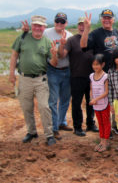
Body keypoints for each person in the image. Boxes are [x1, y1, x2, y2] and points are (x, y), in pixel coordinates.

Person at [9, 15, 58, 146]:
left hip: (40, 79)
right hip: (24, 78)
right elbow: (14, 56)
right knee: (26, 107)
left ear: (44, 27)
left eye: (40, 26)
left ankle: (49, 134)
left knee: (44, 106)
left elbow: (53, 63)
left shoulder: (47, 42)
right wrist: (11, 74)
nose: (37, 28)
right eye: (35, 25)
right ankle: (31, 132)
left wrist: (54, 55)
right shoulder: (23, 38)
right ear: (32, 26)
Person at [80, 10, 118, 135]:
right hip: (101, 74)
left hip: (115, 72)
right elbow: (83, 46)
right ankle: (106, 127)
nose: (107, 20)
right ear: (101, 19)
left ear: (113, 19)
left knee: (115, 100)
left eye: (109, 18)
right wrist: (86, 29)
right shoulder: (95, 33)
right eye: (104, 18)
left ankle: (115, 126)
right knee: (103, 100)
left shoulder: (116, 32)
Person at [58, 17, 98, 136]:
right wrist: (61, 45)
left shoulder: (92, 39)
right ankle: (78, 127)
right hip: (76, 76)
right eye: (80, 24)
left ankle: (90, 124)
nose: (82, 27)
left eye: (84, 25)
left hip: (92, 77)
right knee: (76, 103)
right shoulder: (71, 40)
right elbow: (62, 55)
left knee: (91, 102)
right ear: (77, 26)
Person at [44, 12, 73, 140]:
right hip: (52, 70)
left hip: (67, 70)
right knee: (53, 100)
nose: (59, 24)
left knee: (65, 99)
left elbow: (67, 55)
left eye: (62, 22)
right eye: (57, 21)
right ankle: (54, 128)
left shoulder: (70, 36)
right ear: (54, 22)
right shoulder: (46, 33)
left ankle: (62, 122)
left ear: (66, 23)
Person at [89, 54, 110, 152]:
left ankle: (106, 142)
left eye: (97, 64)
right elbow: (91, 89)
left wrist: (96, 99)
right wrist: (91, 98)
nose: (95, 66)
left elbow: (106, 92)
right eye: (93, 64)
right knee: (100, 123)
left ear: (103, 64)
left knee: (106, 123)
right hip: (96, 104)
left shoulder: (105, 76)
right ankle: (101, 142)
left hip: (104, 104)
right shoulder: (91, 76)